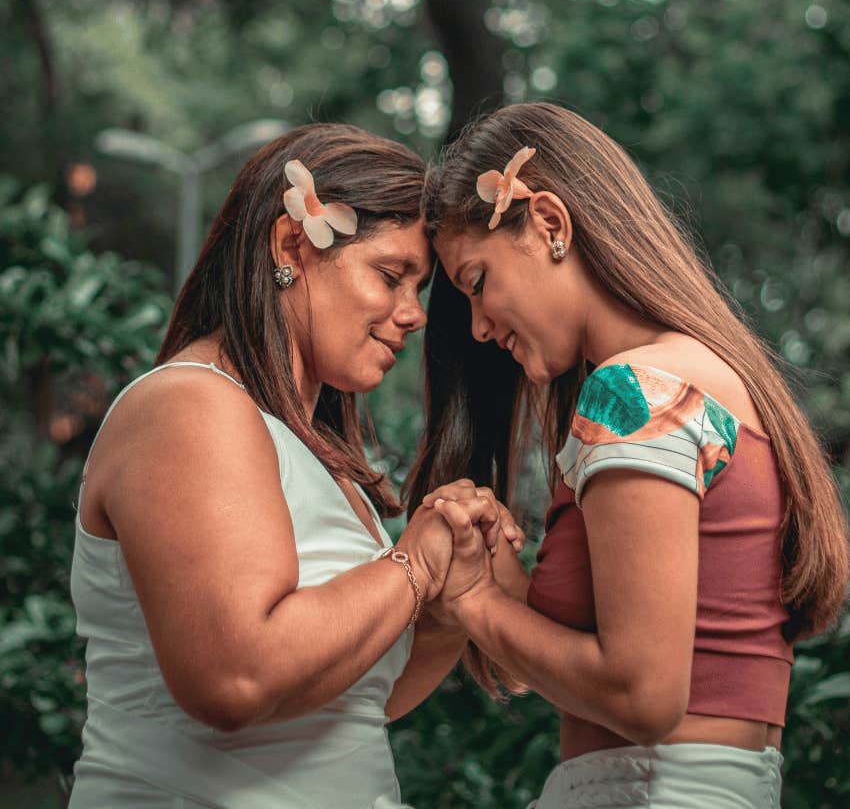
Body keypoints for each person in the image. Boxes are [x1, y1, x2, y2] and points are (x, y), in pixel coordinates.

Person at [407, 101, 850, 809]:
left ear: (549, 225)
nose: (481, 327)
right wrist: (494, 573)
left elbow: (641, 696)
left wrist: (472, 603)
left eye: (477, 284)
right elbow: (599, 658)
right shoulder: (703, 377)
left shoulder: (636, 392)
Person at [69, 122, 522, 809]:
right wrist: (412, 567)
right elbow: (239, 680)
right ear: (292, 245)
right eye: (390, 275)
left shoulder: (320, 456)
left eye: (420, 289)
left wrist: (446, 604)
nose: (414, 315)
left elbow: (356, 695)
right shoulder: (191, 406)